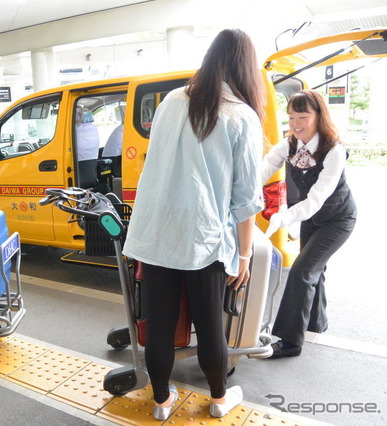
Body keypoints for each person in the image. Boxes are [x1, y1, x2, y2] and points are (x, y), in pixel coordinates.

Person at [122, 28, 264, 420]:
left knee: (161, 324)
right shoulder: (242, 116)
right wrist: (245, 254)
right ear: (245, 67)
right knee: (209, 326)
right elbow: (246, 199)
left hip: (156, 233)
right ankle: (219, 400)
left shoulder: (171, 101)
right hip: (205, 239)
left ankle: (161, 402)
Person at [261, 89, 356, 359]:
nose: (295, 124)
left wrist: (283, 218)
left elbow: (316, 199)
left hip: (338, 219)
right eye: (291, 117)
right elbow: (263, 169)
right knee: (316, 270)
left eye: (302, 116)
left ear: (319, 116)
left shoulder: (333, 150)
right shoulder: (289, 144)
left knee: (302, 270)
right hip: (312, 220)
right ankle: (316, 324)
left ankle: (290, 342)